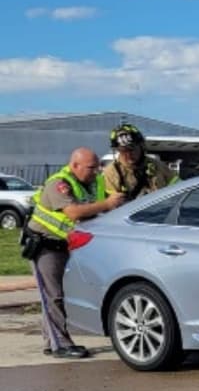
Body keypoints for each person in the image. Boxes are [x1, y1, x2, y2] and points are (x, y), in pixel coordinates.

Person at [23, 148, 126, 358]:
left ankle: (51, 340)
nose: (96, 171)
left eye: (97, 167)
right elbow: (73, 212)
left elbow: (96, 207)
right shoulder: (59, 184)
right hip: (44, 246)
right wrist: (107, 203)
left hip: (67, 245)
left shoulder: (91, 183)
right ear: (75, 165)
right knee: (54, 296)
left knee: (61, 294)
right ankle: (60, 344)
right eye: (91, 167)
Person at [102, 123, 176, 201]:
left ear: (141, 146)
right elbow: (113, 206)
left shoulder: (158, 165)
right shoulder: (112, 173)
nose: (128, 154)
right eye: (123, 151)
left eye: (132, 148)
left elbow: (178, 187)